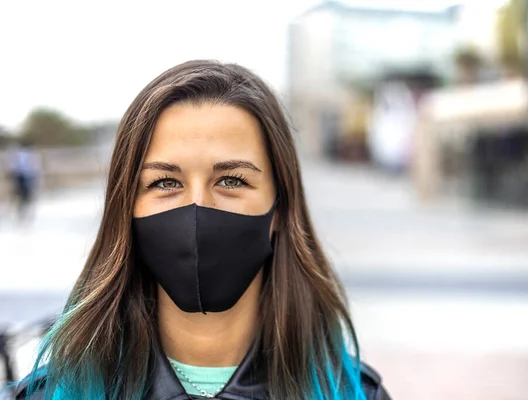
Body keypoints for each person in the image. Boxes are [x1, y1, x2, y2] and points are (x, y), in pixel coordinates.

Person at [14, 60, 391, 400]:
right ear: (126, 207)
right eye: (164, 182)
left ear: (279, 209)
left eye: (230, 180)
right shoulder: (50, 394)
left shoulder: (354, 393)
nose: (198, 208)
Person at [6, 139, 41, 222]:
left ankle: (24, 211)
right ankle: (20, 211)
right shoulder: (20, 154)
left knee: (24, 195)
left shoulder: (27, 154)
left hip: (26, 177)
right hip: (22, 177)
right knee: (21, 195)